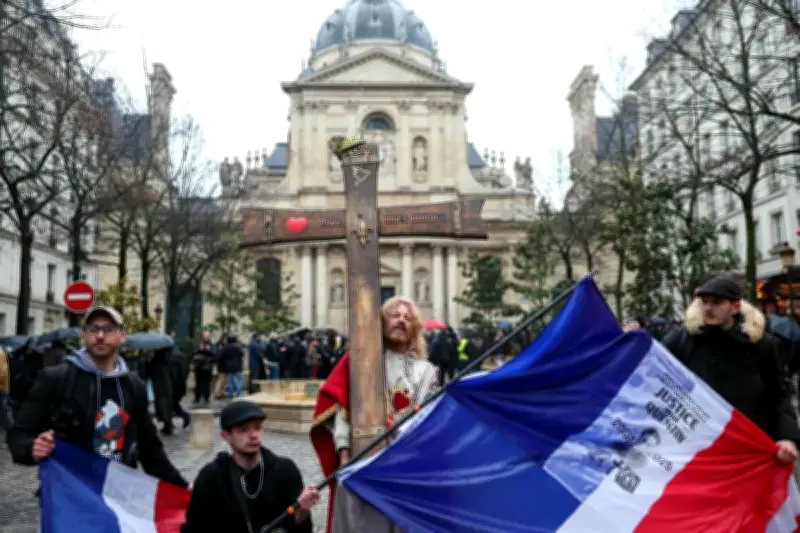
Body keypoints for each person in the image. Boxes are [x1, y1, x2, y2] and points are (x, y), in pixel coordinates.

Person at [8, 306, 188, 489]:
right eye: (93, 329)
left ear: (122, 336)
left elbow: (152, 453)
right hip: (68, 493)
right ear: (83, 336)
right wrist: (33, 448)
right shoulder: (57, 379)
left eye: (109, 329)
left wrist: (184, 490)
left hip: (116, 496)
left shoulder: (133, 386)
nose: (100, 335)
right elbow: (18, 435)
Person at [310, 296, 440, 533]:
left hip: (404, 466)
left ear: (414, 329)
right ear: (381, 321)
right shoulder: (360, 361)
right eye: (395, 315)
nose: (401, 320)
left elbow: (428, 421)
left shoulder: (425, 372)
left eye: (407, 318)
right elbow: (342, 408)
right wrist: (344, 454)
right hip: (362, 461)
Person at [660, 276, 800, 464]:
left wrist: (787, 437)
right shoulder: (684, 340)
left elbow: (780, 393)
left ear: (735, 307)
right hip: (704, 446)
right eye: (705, 302)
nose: (708, 308)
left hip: (753, 444)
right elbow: (652, 363)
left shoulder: (762, 344)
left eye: (717, 303)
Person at [181, 400, 320, 533]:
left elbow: (301, 529)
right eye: (243, 430)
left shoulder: (285, 471)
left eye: (258, 427)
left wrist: (302, 513)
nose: (253, 435)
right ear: (226, 436)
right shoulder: (212, 477)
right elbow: (195, 527)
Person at [192, 332, 215, 406]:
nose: (206, 337)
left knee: (207, 383)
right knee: (198, 383)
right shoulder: (198, 343)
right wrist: (200, 349)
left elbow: (214, 354)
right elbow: (194, 353)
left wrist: (208, 350)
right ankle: (197, 397)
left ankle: (206, 397)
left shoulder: (211, 344)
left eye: (207, 336)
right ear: (202, 336)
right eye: (205, 336)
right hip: (199, 367)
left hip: (207, 367)